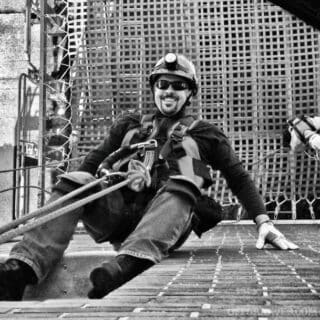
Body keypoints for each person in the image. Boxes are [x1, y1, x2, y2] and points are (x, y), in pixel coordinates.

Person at [0, 53, 298, 301]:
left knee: (186, 180)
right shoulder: (129, 126)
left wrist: (264, 222)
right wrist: (73, 193)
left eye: (178, 85)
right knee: (78, 179)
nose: (169, 90)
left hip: (167, 218)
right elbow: (91, 163)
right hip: (119, 215)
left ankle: (124, 267)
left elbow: (238, 177)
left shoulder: (206, 134)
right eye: (163, 84)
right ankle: (20, 270)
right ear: (154, 88)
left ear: (190, 92)